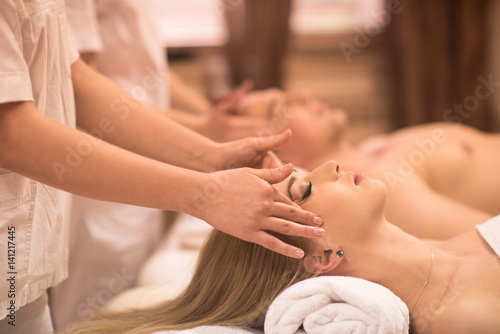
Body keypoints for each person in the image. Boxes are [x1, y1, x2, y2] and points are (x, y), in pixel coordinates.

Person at [0, 2, 323, 332]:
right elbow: (9, 133)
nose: (335, 167)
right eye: (305, 188)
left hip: (24, 261)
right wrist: (203, 193)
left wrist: (209, 155)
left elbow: (71, 77)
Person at [66, 161, 500, 334]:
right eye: (306, 189)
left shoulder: (450, 249)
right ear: (322, 258)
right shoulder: (463, 313)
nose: (330, 164)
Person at [49, 1, 268, 329]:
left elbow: (151, 74)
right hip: (98, 166)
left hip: (129, 161)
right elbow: (80, 92)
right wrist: (203, 142)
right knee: (87, 314)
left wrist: (208, 128)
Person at [231, 88, 500, 239]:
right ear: (269, 153)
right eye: (282, 108)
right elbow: (492, 240)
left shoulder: (374, 147)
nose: (302, 94)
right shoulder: (382, 188)